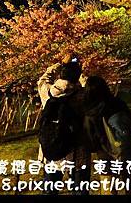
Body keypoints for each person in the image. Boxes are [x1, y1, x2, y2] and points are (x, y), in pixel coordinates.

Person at [37, 53, 91, 195]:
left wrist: (59, 65)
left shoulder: (47, 92)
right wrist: (79, 71)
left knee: (50, 190)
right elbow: (87, 85)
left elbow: (42, 80)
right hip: (77, 153)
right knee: (80, 191)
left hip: (53, 151)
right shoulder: (83, 95)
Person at [83, 76, 131, 195]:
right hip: (126, 150)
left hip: (104, 153)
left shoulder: (90, 110)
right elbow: (130, 122)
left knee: (108, 186)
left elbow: (90, 137)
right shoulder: (118, 103)